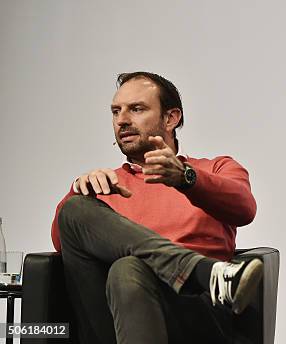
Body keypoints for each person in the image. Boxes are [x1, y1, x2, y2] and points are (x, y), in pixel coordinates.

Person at [51, 71, 262, 344]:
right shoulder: (104, 185)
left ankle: (196, 276)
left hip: (195, 317)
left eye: (136, 109)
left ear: (171, 118)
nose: (122, 120)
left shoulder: (213, 168)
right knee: (75, 211)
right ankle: (203, 273)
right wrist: (78, 191)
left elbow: (245, 208)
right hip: (111, 321)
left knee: (127, 268)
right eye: (116, 112)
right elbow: (62, 245)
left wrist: (187, 179)